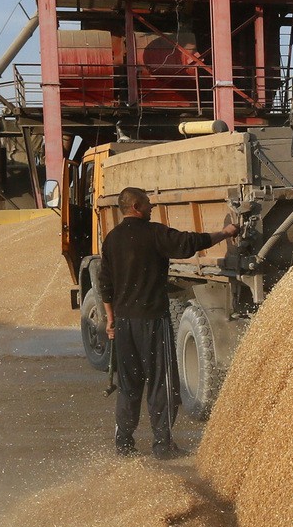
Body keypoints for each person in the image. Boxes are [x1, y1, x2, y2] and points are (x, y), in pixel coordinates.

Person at [100, 186, 239, 457]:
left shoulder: (112, 239)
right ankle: (163, 445)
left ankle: (124, 444)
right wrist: (224, 233)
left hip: (124, 323)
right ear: (137, 207)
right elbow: (188, 244)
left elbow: (105, 282)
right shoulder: (153, 234)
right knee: (160, 382)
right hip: (152, 320)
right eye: (149, 203)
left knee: (129, 385)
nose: (152, 207)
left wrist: (110, 319)